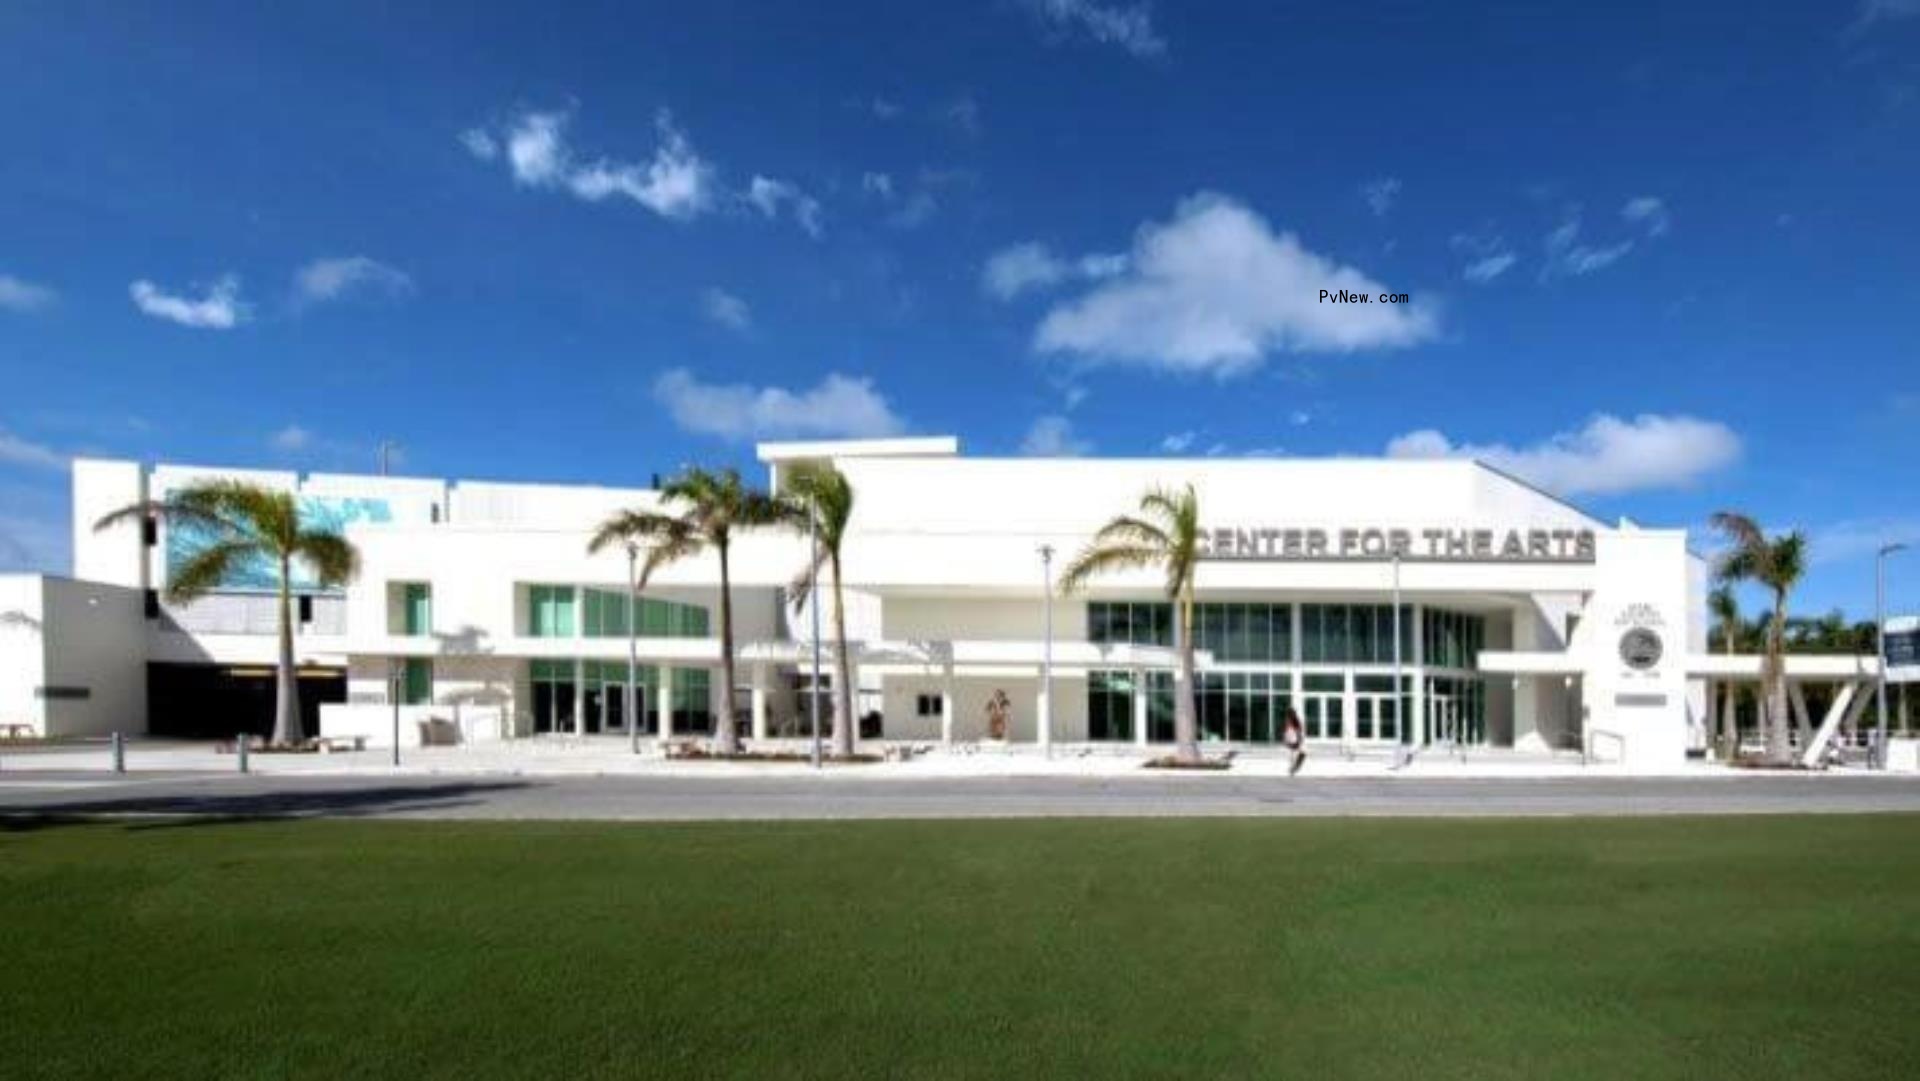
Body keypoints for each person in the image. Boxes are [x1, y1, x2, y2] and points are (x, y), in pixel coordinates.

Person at [1283, 707, 1306, 776]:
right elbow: (1287, 731)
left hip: (1293, 740)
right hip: (1292, 740)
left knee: (1295, 754)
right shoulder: (1290, 721)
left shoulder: (1294, 722)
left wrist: (1299, 740)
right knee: (1294, 755)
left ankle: (1293, 768)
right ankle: (1293, 769)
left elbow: (1298, 732)